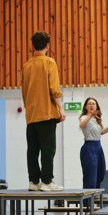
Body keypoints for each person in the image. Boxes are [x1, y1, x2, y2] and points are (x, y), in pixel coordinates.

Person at [21, 31, 66, 192]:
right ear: (47, 45)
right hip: (46, 113)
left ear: (32, 46)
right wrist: (61, 108)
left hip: (31, 115)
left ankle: (33, 181)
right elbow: (54, 88)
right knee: (48, 149)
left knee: (32, 150)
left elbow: (24, 92)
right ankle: (47, 181)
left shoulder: (26, 65)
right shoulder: (49, 62)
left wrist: (29, 109)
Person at [79, 97, 108, 201]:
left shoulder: (96, 119)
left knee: (100, 173)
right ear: (86, 107)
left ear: (96, 107)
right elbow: (81, 125)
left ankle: (96, 194)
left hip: (98, 147)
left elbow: (100, 132)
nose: (92, 105)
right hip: (89, 147)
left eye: (94, 104)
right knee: (90, 176)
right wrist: (90, 116)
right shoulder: (84, 117)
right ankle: (87, 205)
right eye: (90, 104)